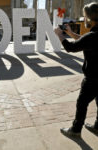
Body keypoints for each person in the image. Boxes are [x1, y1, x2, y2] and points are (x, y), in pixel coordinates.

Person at [55, 2, 98, 137]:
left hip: (92, 78)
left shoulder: (92, 37)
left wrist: (59, 35)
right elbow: (84, 42)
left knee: (81, 103)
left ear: (90, 18)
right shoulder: (93, 36)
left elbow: (71, 48)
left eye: (85, 17)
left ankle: (76, 129)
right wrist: (71, 33)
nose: (84, 19)